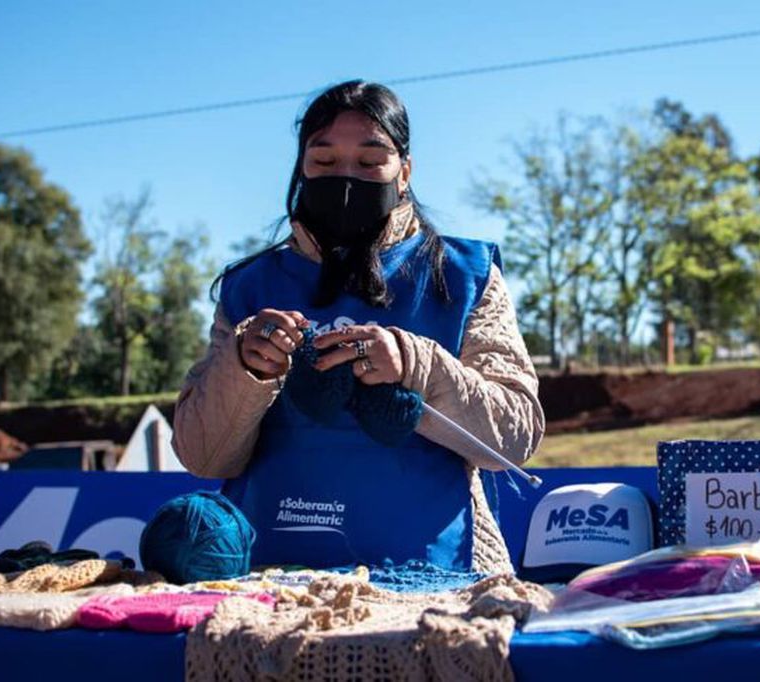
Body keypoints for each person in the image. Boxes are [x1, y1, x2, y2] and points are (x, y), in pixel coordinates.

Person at [172, 80, 544, 574]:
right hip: (265, 578)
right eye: (324, 163)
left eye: (370, 163)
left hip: (436, 578)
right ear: (301, 170)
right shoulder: (248, 287)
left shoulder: (465, 274)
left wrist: (419, 365)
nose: (346, 176)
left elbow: (515, 439)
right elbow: (203, 457)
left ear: (405, 171)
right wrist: (244, 369)